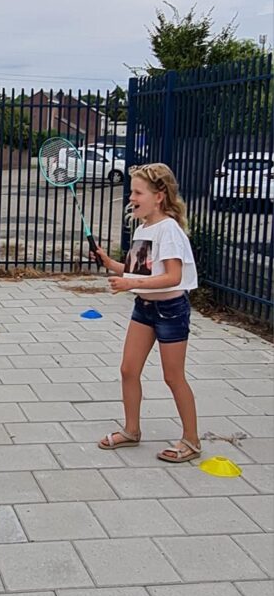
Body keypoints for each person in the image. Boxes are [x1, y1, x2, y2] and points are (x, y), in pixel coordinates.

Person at [95, 164, 201, 463]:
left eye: (138, 192)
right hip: (144, 308)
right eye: (131, 191)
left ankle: (191, 441)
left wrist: (128, 282)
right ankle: (131, 431)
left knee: (173, 376)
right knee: (128, 370)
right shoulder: (143, 228)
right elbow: (138, 271)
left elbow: (172, 277)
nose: (131, 198)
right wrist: (109, 263)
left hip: (169, 310)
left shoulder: (168, 229)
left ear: (159, 196)